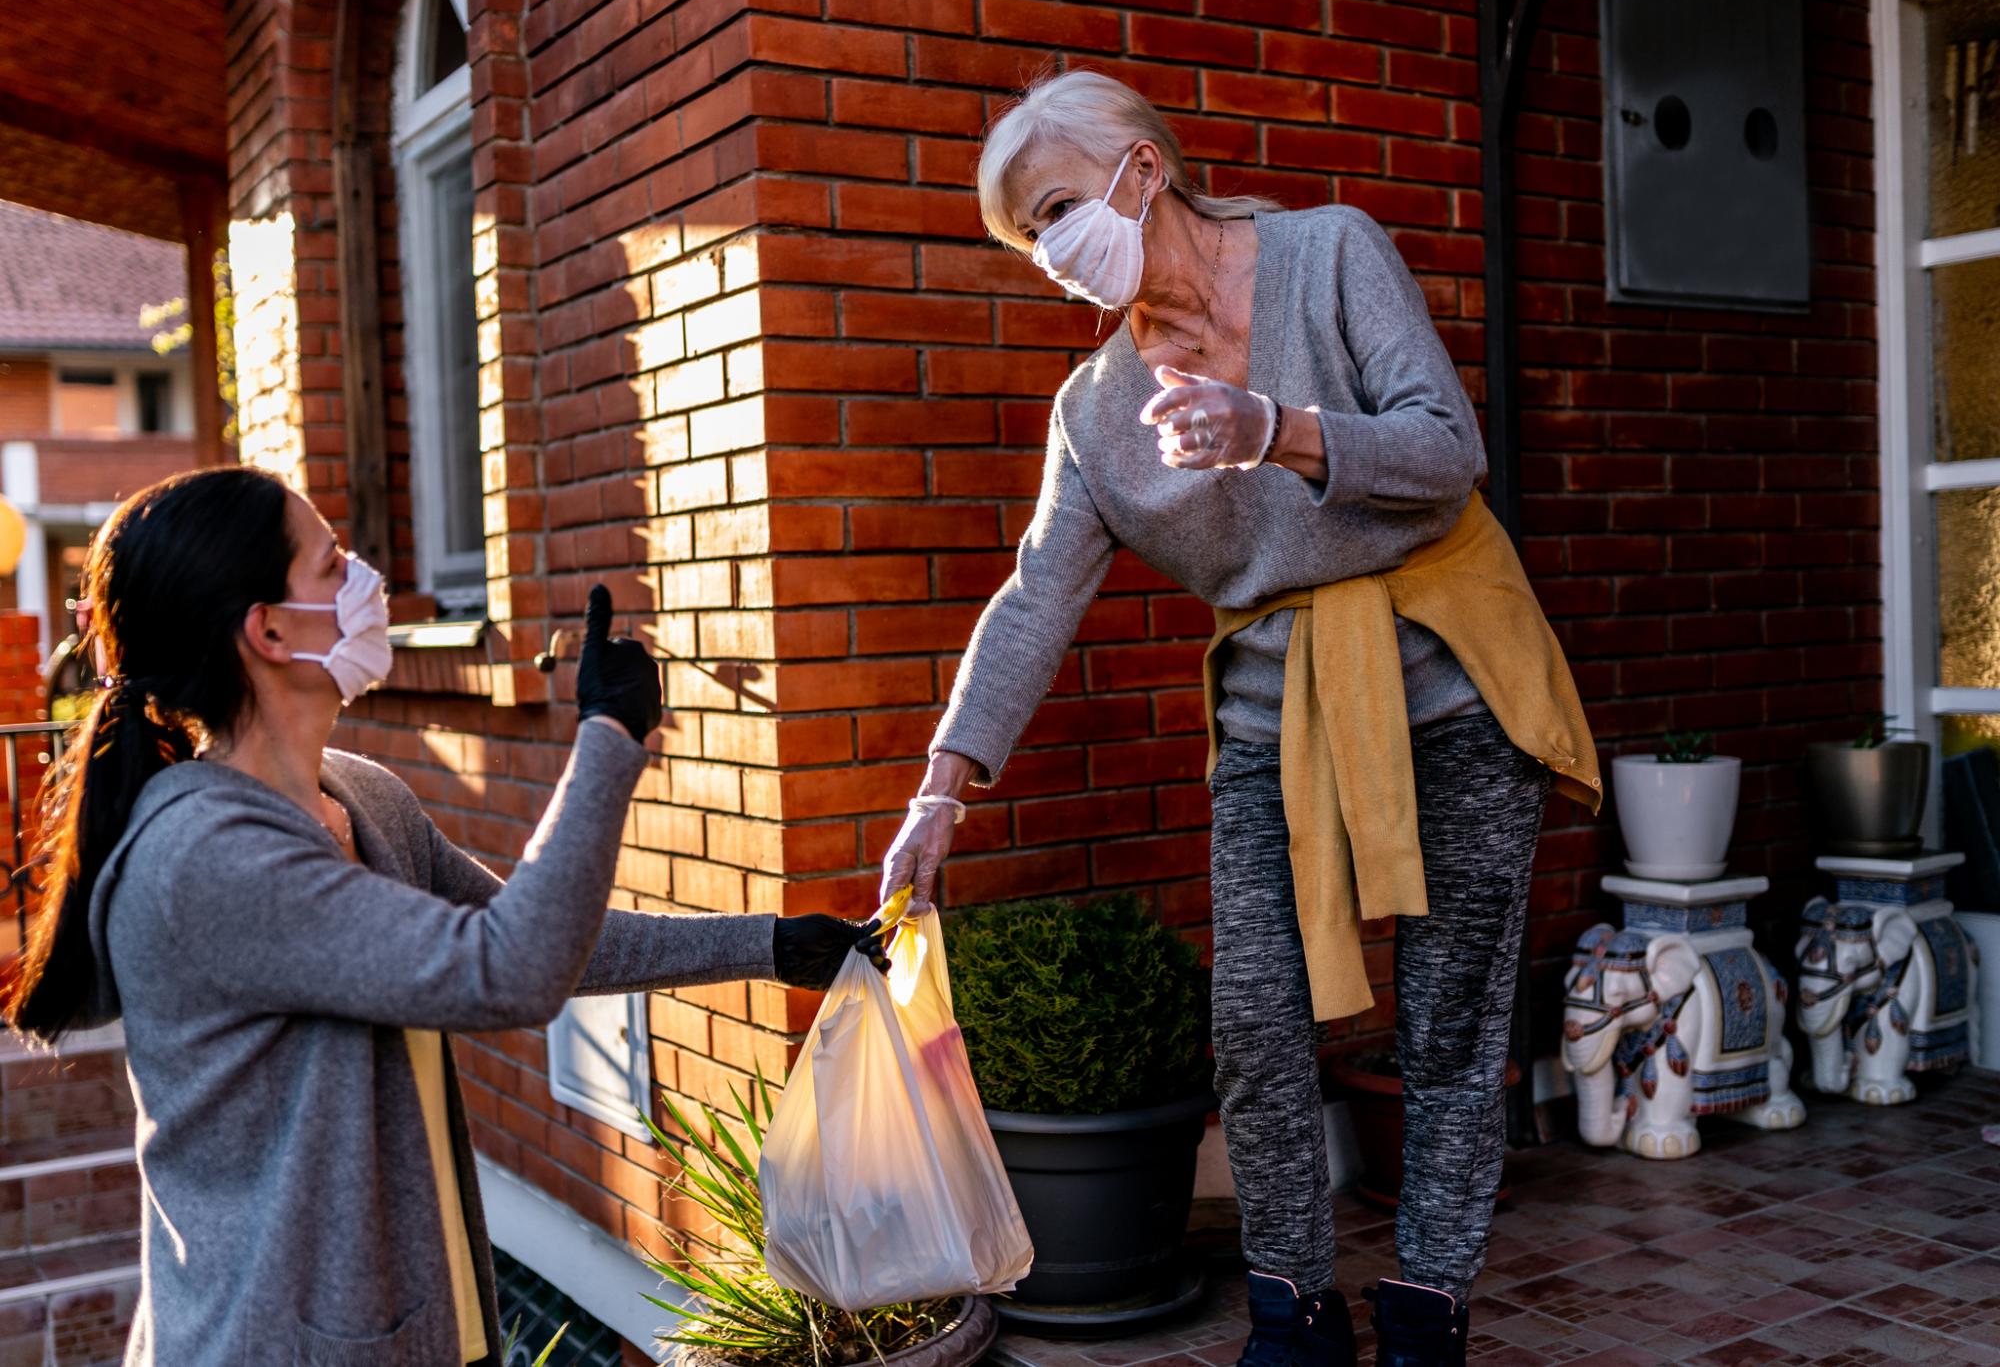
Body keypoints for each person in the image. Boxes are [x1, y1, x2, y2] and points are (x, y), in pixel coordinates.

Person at [877, 71, 1599, 1367]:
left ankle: (1430, 1302)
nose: (1050, 257)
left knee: (1448, 1019)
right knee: (1258, 1024)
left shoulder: (1330, 255)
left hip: (1452, 674)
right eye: (1025, 242)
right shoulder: (1096, 413)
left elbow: (1447, 451)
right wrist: (943, 783)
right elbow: (1037, 593)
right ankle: (1293, 1311)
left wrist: (1274, 427)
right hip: (1275, 719)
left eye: (1053, 213)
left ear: (1142, 171)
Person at [0, 466, 883, 1367]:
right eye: (332, 563)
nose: (366, 581)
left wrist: (769, 945)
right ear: (266, 630)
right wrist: (609, 739)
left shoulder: (361, 797)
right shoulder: (207, 858)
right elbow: (512, 969)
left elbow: (543, 938)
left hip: (419, 1326)